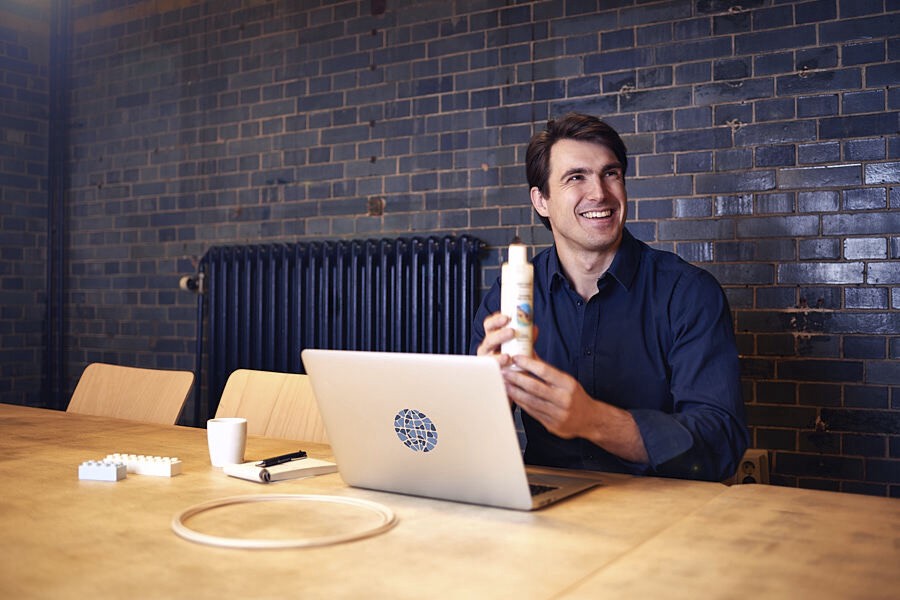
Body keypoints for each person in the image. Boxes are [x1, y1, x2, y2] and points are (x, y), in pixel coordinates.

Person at [470, 113, 748, 481]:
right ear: (541, 201)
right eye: (576, 177)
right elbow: (472, 445)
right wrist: (493, 397)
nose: (599, 193)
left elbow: (720, 445)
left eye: (611, 173)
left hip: (662, 509)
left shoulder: (688, 294)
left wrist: (592, 420)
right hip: (546, 509)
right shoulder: (508, 299)